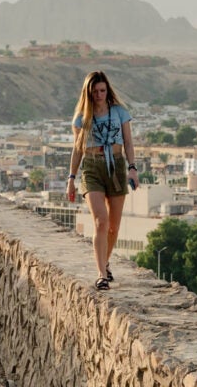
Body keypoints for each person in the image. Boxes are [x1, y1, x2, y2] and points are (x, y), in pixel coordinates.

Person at [67, 71, 138, 290]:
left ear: (107, 90)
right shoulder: (82, 118)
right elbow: (77, 150)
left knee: (113, 227)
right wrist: (71, 178)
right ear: (88, 93)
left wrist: (132, 168)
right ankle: (101, 274)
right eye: (95, 91)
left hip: (116, 166)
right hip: (92, 168)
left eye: (102, 90)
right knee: (101, 221)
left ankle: (105, 262)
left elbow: (128, 142)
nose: (99, 95)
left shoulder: (119, 112)